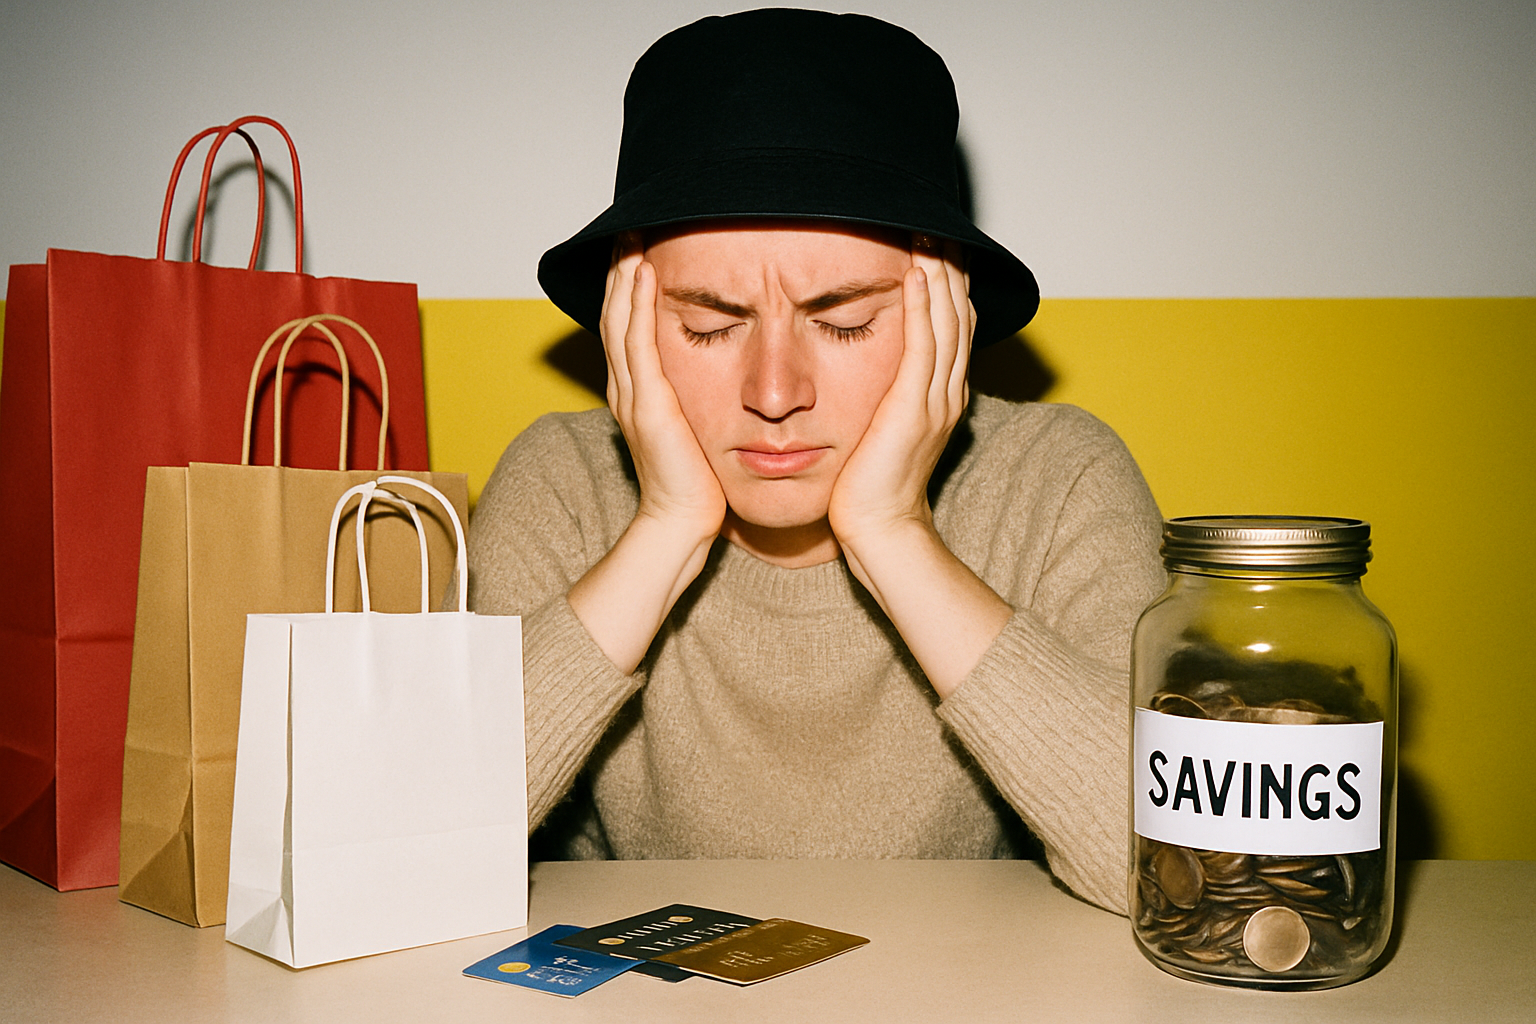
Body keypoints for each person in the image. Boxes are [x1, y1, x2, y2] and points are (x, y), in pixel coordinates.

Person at [467, 9, 1165, 914]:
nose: (774, 390)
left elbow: (1180, 870)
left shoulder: (1057, 478)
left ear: (944, 306)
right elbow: (398, 851)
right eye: (708, 324)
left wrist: (893, 531)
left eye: (843, 320)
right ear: (626, 314)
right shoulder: (561, 485)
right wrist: (666, 529)